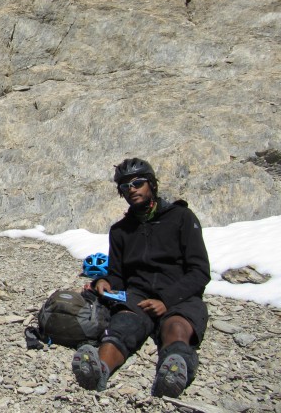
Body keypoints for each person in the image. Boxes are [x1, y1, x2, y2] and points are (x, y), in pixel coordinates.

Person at [72, 158, 210, 398]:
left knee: (175, 326)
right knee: (123, 326)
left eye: (138, 183)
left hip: (180, 295)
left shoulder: (182, 218)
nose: (132, 189)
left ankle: (175, 371)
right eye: (125, 186)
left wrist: (166, 300)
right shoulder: (120, 231)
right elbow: (118, 274)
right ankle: (99, 369)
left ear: (152, 185)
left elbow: (199, 271)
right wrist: (103, 283)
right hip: (138, 295)